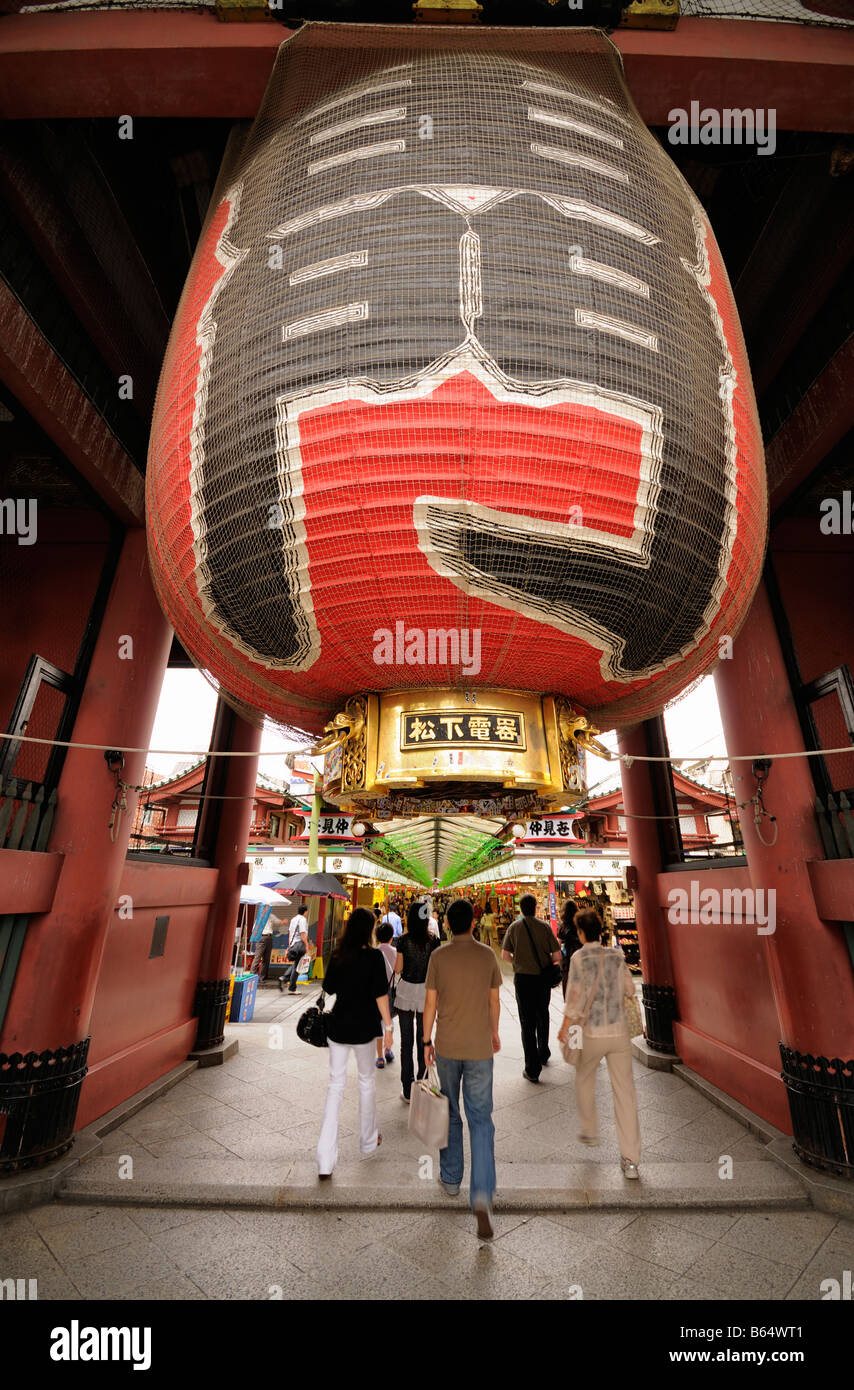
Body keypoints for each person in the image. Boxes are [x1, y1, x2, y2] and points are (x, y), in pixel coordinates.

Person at [423, 898, 501, 1240]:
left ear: (447, 925)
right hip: (480, 1048)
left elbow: (430, 1003)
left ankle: (452, 1179)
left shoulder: (438, 956)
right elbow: (494, 1000)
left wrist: (426, 1042)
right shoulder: (487, 955)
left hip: (448, 1047)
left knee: (450, 1112)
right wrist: (495, 1032)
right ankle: (482, 1193)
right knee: (481, 1120)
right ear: (472, 922)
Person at [557, 909, 642, 1180]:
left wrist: (564, 1028)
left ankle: (590, 1130)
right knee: (625, 1094)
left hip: (591, 1033)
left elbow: (574, 1000)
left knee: (583, 1077)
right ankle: (630, 1160)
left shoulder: (580, 958)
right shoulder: (617, 956)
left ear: (581, 934)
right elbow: (630, 989)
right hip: (618, 1033)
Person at [316, 908, 394, 1178]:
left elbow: (331, 987)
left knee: (335, 1086)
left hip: (339, 1026)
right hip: (364, 1028)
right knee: (366, 1082)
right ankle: (369, 1141)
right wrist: (389, 1027)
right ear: (369, 930)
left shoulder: (339, 955)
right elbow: (381, 995)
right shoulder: (374, 957)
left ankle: (324, 1159)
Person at [501, 892, 561, 1083]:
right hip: (542, 979)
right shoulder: (544, 927)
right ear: (536, 907)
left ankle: (532, 1068)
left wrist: (517, 962)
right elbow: (557, 955)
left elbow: (504, 955)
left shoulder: (514, 927)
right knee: (543, 1014)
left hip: (523, 979)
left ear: (520, 908)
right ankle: (543, 1052)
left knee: (527, 1022)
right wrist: (547, 964)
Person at [395, 901, 441, 1103]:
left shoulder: (403, 941)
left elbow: (398, 969)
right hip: (426, 993)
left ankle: (407, 1088)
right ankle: (423, 1083)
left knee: (406, 1042)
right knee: (424, 1039)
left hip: (405, 992)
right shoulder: (434, 941)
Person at [374, 922, 397, 1069]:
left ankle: (380, 1058)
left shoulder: (373, 952)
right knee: (389, 1022)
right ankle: (388, 1050)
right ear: (391, 937)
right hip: (390, 991)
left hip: (376, 992)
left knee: (378, 1024)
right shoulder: (395, 951)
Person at [282, 902, 309, 993]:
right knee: (297, 966)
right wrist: (306, 945)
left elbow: (290, 933)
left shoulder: (293, 919)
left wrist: (290, 945)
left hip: (293, 944)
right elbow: (303, 933)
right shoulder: (303, 919)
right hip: (299, 945)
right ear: (305, 912)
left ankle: (285, 978)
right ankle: (292, 987)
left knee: (296, 964)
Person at [558, 899, 582, 999]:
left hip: (567, 964)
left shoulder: (562, 928)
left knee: (569, 997)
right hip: (580, 963)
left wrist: (560, 966)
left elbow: (558, 948)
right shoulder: (580, 926)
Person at [250, 907, 274, 983]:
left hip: (269, 937)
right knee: (257, 957)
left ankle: (262, 977)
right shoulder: (259, 918)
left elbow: (277, 921)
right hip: (261, 937)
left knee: (266, 959)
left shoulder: (270, 917)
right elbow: (254, 929)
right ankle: (252, 976)